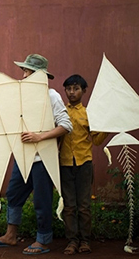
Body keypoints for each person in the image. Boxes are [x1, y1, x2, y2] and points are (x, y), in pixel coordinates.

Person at [0, 54, 73, 254]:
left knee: (42, 201)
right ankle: (10, 235)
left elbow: (66, 126)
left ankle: (43, 240)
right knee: (13, 194)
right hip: (22, 156)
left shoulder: (51, 96)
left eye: (28, 72)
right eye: (24, 71)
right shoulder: (20, 97)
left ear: (39, 75)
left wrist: (39, 137)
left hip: (43, 159)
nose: (24, 75)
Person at [60, 75, 108, 255]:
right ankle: (72, 241)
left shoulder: (89, 113)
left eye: (76, 88)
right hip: (64, 163)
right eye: (69, 89)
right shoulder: (60, 112)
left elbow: (96, 140)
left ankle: (85, 241)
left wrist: (106, 127)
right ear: (65, 90)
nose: (72, 92)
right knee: (69, 205)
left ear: (84, 91)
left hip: (84, 164)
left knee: (84, 206)